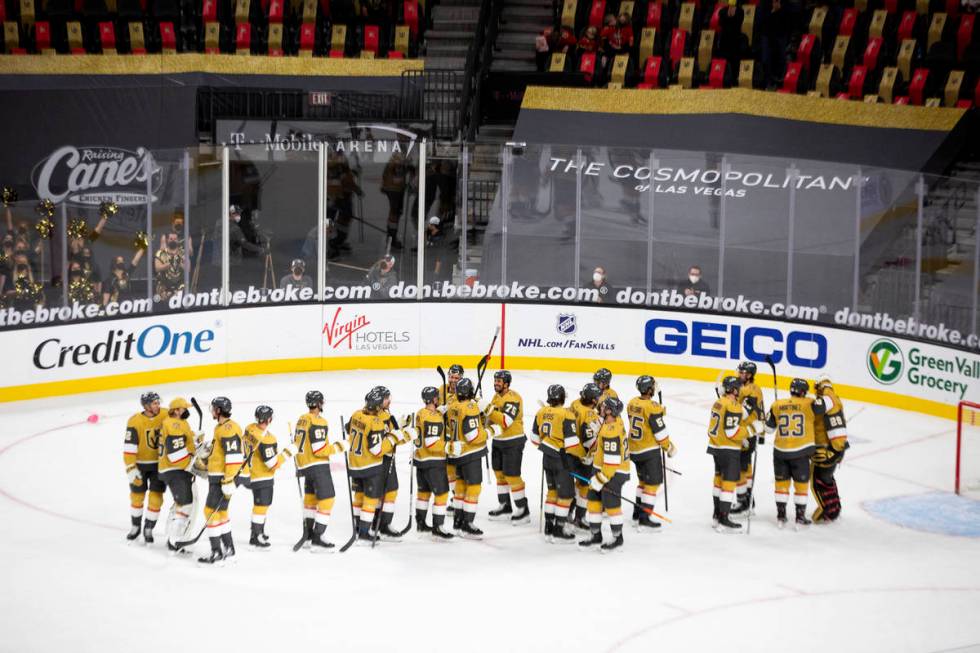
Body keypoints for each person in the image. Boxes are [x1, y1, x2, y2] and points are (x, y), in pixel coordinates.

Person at [347, 387, 411, 544]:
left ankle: (361, 526)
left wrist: (400, 429)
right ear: (379, 403)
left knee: (362, 494)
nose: (390, 400)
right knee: (386, 492)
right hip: (379, 461)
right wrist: (405, 435)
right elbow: (383, 444)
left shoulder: (358, 413)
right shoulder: (378, 420)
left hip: (357, 462)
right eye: (387, 398)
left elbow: (348, 429)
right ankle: (381, 525)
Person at [766, 378, 826, 528]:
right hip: (800, 452)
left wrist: (775, 413)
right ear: (804, 391)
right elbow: (823, 408)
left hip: (780, 452)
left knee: (781, 484)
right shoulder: (809, 403)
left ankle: (781, 516)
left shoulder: (777, 404)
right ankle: (800, 517)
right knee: (801, 486)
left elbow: (768, 429)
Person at [445, 377, 500, 538]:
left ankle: (458, 521)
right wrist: (491, 431)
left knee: (460, 487)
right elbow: (472, 436)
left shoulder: (452, 405)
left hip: (458, 453)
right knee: (473, 488)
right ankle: (467, 524)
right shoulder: (470, 407)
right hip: (471, 453)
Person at [294, 391, 349, 551]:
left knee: (310, 501)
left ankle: (308, 536)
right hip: (317, 465)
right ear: (318, 404)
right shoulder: (318, 421)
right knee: (327, 499)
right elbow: (319, 449)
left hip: (305, 466)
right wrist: (340, 446)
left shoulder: (302, 419)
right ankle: (318, 537)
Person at [707, 376, 763, 532]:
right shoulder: (733, 405)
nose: (740, 390)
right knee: (728, 483)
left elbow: (722, 427)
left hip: (716, 447)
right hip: (728, 450)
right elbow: (732, 431)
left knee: (718, 481)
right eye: (738, 387)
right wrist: (752, 430)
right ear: (733, 389)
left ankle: (716, 516)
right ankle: (724, 519)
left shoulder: (718, 402)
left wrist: (741, 439)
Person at [196, 396, 244, 565]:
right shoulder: (221, 427)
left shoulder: (228, 428)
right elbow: (221, 454)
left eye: (214, 408)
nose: (212, 411)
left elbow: (234, 457)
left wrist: (228, 480)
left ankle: (217, 552)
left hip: (222, 480)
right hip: (221, 478)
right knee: (221, 513)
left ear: (218, 410)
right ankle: (229, 548)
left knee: (209, 512)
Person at [242, 405, 297, 548]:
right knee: (261, 506)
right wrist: (288, 452)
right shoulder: (267, 439)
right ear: (270, 419)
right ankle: (256, 536)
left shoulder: (249, 428)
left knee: (259, 506)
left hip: (251, 473)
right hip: (262, 477)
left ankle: (258, 531)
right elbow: (272, 464)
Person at [532, 384, 582, 543]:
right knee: (566, 495)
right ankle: (559, 531)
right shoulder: (567, 414)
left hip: (547, 458)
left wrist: (548, 442)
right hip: (562, 460)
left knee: (552, 492)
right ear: (562, 398)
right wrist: (583, 456)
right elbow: (572, 444)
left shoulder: (541, 412)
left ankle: (549, 527)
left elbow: (534, 439)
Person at [626, 375, 676, 532]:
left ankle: (637, 514)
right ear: (650, 389)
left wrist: (658, 411)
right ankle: (644, 519)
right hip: (648, 451)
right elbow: (659, 432)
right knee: (652, 484)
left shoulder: (632, 402)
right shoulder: (652, 407)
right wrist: (669, 447)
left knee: (642, 482)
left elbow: (645, 413)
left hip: (634, 449)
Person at [580, 396, 630, 551]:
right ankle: (596, 536)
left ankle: (617, 538)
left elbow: (613, 461)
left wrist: (601, 479)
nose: (600, 408)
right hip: (602, 469)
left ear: (610, 411)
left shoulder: (611, 431)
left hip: (613, 472)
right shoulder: (612, 423)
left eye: (604, 407)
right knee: (593, 501)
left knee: (611, 504)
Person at [409, 387, 454, 540]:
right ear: (434, 399)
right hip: (434, 462)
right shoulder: (433, 418)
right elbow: (431, 442)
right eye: (437, 397)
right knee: (441, 494)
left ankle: (420, 524)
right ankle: (438, 527)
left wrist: (439, 412)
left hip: (421, 460)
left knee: (423, 493)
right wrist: (449, 447)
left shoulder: (421, 413)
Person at [486, 370, 529, 524]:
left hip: (513, 441)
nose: (496, 383)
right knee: (499, 474)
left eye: (499, 381)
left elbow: (505, 421)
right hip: (498, 441)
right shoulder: (496, 397)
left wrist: (488, 410)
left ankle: (523, 510)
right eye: (495, 380)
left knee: (512, 475)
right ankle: (505, 506)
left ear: (507, 383)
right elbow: (490, 419)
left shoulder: (514, 398)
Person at [123, 391, 166, 543]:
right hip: (140, 466)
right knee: (137, 497)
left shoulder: (165, 415)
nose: (158, 405)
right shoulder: (135, 421)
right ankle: (135, 527)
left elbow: (178, 428)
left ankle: (148, 528)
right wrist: (130, 467)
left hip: (159, 466)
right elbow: (129, 447)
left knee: (156, 499)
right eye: (154, 403)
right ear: (146, 406)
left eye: (157, 402)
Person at [157, 397, 199, 552]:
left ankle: (173, 536)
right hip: (173, 469)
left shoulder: (181, 423)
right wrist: (193, 450)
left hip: (177, 469)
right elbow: (174, 456)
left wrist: (194, 439)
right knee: (185, 504)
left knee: (182, 504)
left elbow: (184, 440)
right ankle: (174, 541)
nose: (186, 410)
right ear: (175, 410)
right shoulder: (172, 424)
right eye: (183, 408)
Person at [811, 375, 849, 523]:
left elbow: (817, 407)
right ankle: (835, 508)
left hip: (827, 449)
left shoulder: (829, 397)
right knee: (826, 479)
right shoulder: (835, 398)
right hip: (833, 448)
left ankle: (827, 511)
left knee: (817, 482)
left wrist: (834, 452)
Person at [732, 361, 765, 516]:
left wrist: (728, 405)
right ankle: (748, 500)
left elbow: (743, 412)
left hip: (748, 432)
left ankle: (742, 502)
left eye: (743, 373)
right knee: (746, 467)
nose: (739, 375)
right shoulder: (745, 388)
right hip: (748, 431)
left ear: (750, 375)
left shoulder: (752, 390)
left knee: (739, 467)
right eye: (739, 372)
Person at [568, 382, 602, 530]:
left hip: (569, 451)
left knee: (573, 484)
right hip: (582, 456)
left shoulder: (574, 403)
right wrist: (594, 452)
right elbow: (589, 440)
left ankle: (567, 512)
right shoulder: (589, 414)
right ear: (593, 400)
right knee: (583, 486)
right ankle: (580, 517)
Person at [381, 152, 411, 250]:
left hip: (396, 189)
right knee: (395, 212)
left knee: (396, 212)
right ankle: (391, 238)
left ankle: (392, 236)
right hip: (394, 190)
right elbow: (397, 175)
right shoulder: (396, 161)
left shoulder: (396, 159)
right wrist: (407, 165)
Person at [424, 216, 455, 285]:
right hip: (429, 264)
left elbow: (440, 255)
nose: (428, 225)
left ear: (433, 226)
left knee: (433, 282)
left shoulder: (440, 238)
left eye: (429, 224)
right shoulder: (431, 235)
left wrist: (436, 270)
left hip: (434, 266)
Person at [154, 232, 185, 301]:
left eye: (175, 239)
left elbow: (188, 268)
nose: (173, 240)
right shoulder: (160, 253)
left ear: (177, 240)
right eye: (171, 239)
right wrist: (169, 264)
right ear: (167, 240)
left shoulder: (183, 252)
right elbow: (157, 268)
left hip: (180, 285)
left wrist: (179, 263)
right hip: (164, 286)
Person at [718, 0, 745, 72]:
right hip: (724, 41)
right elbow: (721, 24)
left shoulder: (740, 11)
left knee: (735, 61)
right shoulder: (722, 11)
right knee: (724, 60)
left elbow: (738, 25)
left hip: (735, 40)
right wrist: (728, 16)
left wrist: (732, 17)